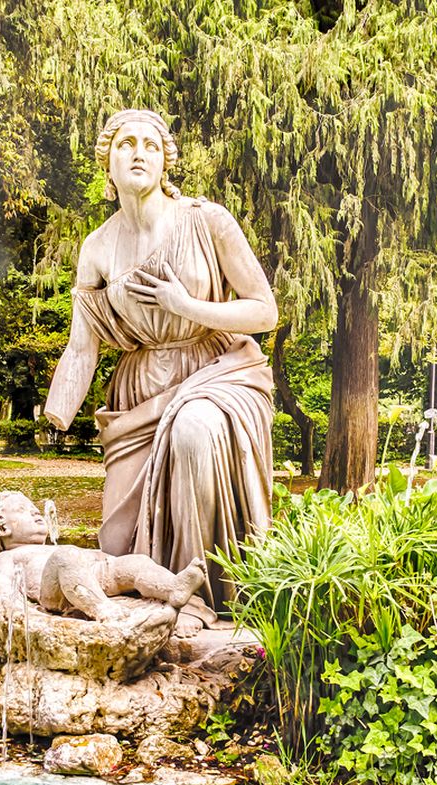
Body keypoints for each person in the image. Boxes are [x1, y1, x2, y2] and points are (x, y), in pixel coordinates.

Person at [44, 109, 276, 617]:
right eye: (126, 144)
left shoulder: (207, 220)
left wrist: (185, 305)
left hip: (216, 371)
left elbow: (264, 310)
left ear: (165, 163)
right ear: (108, 163)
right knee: (118, 538)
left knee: (194, 432)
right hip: (141, 387)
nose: (138, 153)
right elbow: (82, 346)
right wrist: (55, 414)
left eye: (150, 145)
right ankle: (148, 600)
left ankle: (201, 599)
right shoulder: (98, 246)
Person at [0, 491, 206, 625]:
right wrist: (5, 600)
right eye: (24, 510)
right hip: (54, 593)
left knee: (136, 562)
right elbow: (2, 586)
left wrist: (106, 561)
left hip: (91, 575)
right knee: (67, 555)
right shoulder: (8, 556)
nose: (36, 512)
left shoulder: (52, 547)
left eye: (34, 508)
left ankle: (173, 587)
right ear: (3, 529)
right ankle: (103, 609)